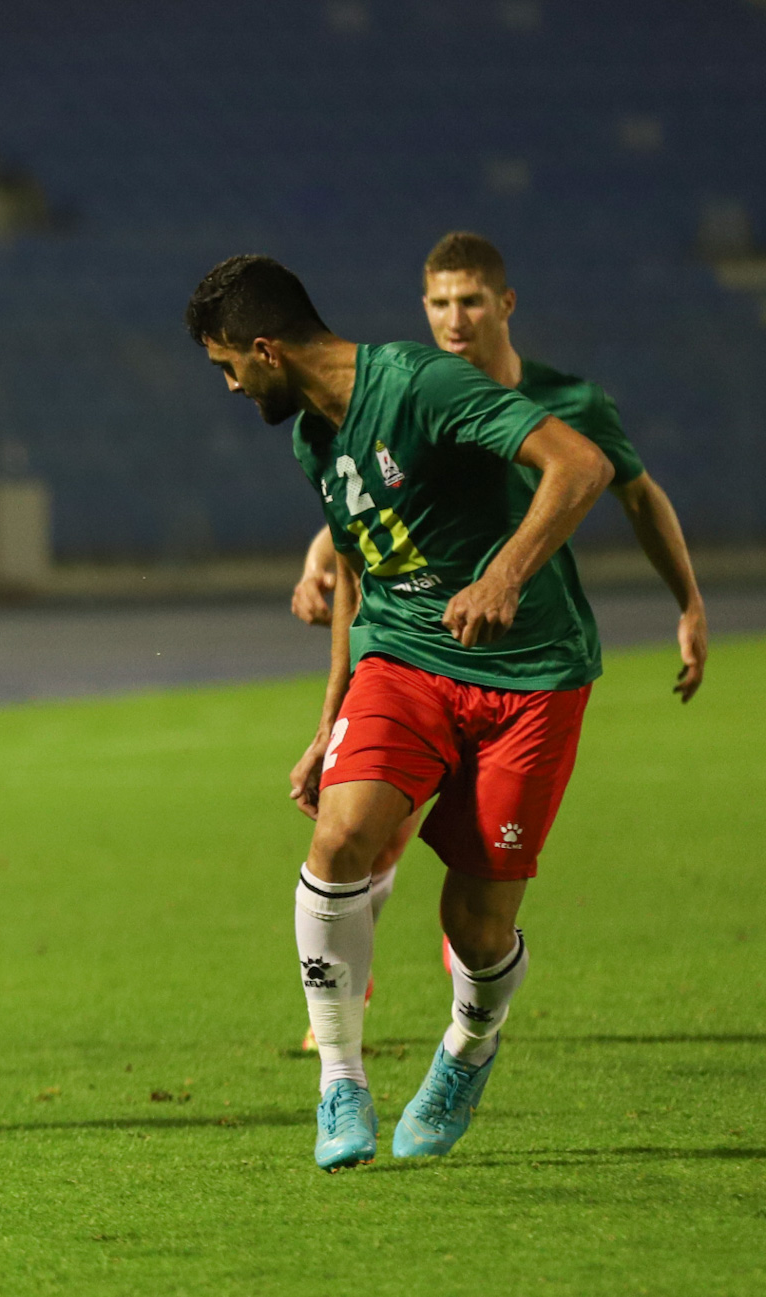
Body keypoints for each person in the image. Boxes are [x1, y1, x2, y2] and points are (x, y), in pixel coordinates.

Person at [186, 256, 615, 1170]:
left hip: (529, 670)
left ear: (266, 349)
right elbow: (358, 573)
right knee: (340, 840)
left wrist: (504, 574)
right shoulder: (313, 436)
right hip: (407, 655)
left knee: (477, 923)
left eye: (228, 364)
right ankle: (340, 1079)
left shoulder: (422, 386)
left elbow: (581, 464)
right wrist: (327, 721)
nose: (228, 384)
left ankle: (468, 1047)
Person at [288, 234, 708, 1048]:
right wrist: (319, 558)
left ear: (505, 305)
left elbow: (637, 495)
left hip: (525, 665)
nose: (454, 318)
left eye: (471, 301)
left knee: (476, 889)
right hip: (422, 653)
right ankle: (347, 998)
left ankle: (470, 967)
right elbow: (367, 499)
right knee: (365, 818)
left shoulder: (570, 404)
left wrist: (688, 601)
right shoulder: (412, 396)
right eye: (439, 303)